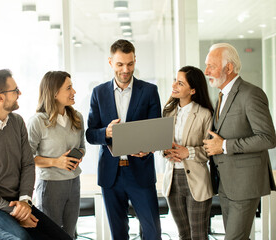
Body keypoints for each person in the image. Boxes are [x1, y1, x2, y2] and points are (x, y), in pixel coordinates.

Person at [0, 69, 72, 240]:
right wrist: (14, 211)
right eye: (15, 90)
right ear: (0, 97)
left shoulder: (17, 122)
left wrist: (25, 201)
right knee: (21, 238)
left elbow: (27, 164)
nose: (20, 93)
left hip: (19, 203)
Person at [86, 39, 162, 240]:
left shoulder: (149, 91)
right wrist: (107, 133)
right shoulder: (99, 93)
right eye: (120, 64)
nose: (125, 70)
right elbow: (90, 134)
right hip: (111, 176)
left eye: (130, 64)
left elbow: (157, 131)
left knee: (153, 233)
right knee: (118, 234)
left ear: (135, 60)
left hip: (141, 172)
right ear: (110, 62)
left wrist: (148, 148)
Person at [203, 43, 276, 240]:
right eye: (206, 65)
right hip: (226, 183)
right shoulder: (221, 96)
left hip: (245, 184)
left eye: (211, 65)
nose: (206, 71)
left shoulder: (251, 94)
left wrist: (224, 146)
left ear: (229, 68)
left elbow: (268, 138)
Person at [27, 71, 85, 238]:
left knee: (70, 234)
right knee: (51, 236)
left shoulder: (77, 118)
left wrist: (78, 155)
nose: (73, 92)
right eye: (69, 88)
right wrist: (56, 162)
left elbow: (82, 147)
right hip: (50, 186)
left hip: (74, 183)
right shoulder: (37, 122)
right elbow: (27, 159)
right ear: (54, 93)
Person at [162, 66, 214, 240]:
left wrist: (187, 152)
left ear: (192, 90)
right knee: (183, 234)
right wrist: (166, 151)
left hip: (196, 181)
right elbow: (161, 143)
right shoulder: (167, 112)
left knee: (198, 235)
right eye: (175, 80)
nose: (174, 85)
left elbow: (210, 150)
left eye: (180, 83)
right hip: (172, 180)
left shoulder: (205, 114)